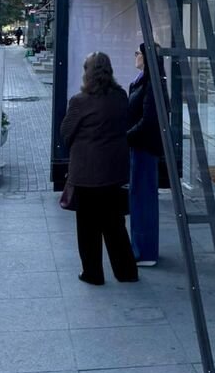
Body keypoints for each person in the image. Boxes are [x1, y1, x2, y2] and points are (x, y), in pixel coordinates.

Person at [61, 51, 138, 286]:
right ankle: (126, 271)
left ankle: (93, 273)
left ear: (88, 73)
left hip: (87, 173)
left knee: (87, 227)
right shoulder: (120, 96)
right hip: (114, 171)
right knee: (115, 223)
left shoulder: (79, 101)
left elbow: (65, 132)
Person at [127, 43, 165, 267]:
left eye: (138, 53)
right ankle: (139, 247)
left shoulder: (151, 83)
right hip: (139, 145)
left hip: (144, 147)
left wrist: (127, 136)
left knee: (143, 199)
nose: (135, 56)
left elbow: (149, 120)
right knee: (138, 197)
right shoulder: (143, 80)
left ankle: (145, 251)